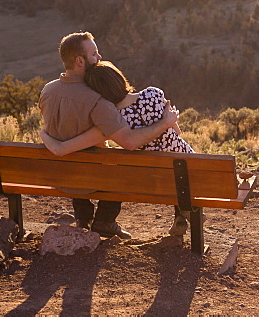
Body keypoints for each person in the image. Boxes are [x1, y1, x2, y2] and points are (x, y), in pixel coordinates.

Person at [38, 31, 178, 239]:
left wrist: (45, 137)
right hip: (90, 180)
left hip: (58, 176)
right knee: (118, 163)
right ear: (79, 61)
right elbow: (129, 141)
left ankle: (83, 218)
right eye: (94, 54)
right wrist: (166, 123)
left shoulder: (47, 91)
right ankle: (104, 220)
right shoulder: (98, 101)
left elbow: (61, 133)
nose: (99, 58)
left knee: (82, 154)